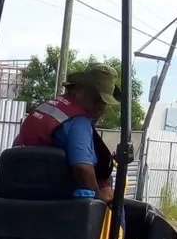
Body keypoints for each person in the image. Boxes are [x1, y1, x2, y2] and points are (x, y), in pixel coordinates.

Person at [13, 63, 120, 202]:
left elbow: (18, 145)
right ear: (80, 90)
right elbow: (82, 168)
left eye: (104, 103)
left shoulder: (43, 109)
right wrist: (99, 198)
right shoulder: (78, 121)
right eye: (98, 100)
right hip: (55, 203)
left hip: (17, 194)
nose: (101, 109)